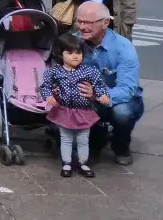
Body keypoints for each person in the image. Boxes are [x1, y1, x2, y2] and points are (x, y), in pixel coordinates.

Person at [75, 1, 143, 166]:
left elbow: (126, 90)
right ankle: (94, 144)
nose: (82, 27)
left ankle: (121, 146)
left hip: (120, 98)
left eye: (88, 23)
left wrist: (97, 94)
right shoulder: (74, 43)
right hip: (87, 97)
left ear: (105, 23)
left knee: (122, 112)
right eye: (79, 21)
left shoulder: (123, 48)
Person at [39, 33, 112, 178]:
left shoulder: (89, 71)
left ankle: (83, 163)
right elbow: (45, 86)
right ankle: (67, 163)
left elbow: (98, 84)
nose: (75, 56)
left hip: (84, 110)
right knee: (66, 137)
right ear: (60, 54)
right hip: (64, 110)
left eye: (78, 53)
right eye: (69, 53)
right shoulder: (54, 72)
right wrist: (48, 96)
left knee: (83, 138)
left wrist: (103, 94)